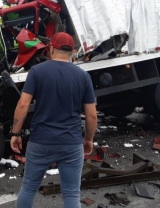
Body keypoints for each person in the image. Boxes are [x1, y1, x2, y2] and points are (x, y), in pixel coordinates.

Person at [10, 32, 98, 208]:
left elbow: (22, 105)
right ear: (72, 51)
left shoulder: (37, 71)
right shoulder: (83, 76)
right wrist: (88, 139)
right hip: (71, 142)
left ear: (50, 49)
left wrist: (15, 132)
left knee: (28, 188)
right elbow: (91, 115)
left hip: (41, 140)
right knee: (72, 194)